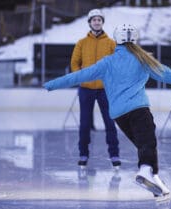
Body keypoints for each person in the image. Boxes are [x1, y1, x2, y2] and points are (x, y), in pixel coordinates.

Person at [43, 24, 171, 200]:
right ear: (135, 39)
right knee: (148, 143)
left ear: (117, 39)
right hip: (139, 109)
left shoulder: (107, 62)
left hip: (119, 115)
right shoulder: (143, 59)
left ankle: (155, 180)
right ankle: (147, 171)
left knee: (144, 145)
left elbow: (79, 76)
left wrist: (51, 84)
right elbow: (169, 75)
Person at [70, 9, 120, 169]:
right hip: (86, 89)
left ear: (102, 22)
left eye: (99, 20)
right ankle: (83, 153)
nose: (96, 22)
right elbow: (74, 63)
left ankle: (114, 154)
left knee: (110, 123)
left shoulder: (111, 43)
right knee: (85, 124)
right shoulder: (81, 43)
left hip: (105, 90)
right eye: (94, 20)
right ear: (90, 22)